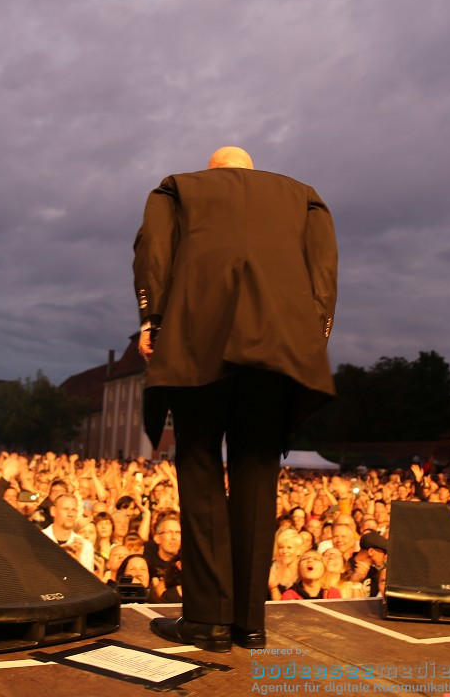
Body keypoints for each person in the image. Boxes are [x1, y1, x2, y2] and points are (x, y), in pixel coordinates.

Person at [135, 146, 337, 652]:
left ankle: (207, 620)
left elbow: (154, 250)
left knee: (200, 464)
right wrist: (315, 334)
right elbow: (323, 269)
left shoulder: (178, 188)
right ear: (252, 170)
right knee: (257, 473)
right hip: (278, 346)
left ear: (213, 171)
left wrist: (152, 317)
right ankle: (249, 623)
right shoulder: (304, 197)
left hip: (198, 336)